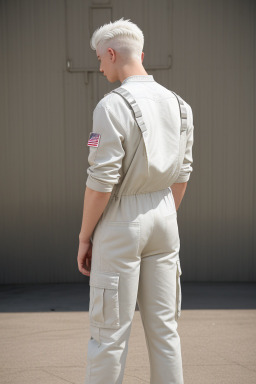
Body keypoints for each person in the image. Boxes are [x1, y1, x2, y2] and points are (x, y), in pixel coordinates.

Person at [77, 17, 194, 384]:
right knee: (165, 331)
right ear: (140, 53)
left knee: (109, 333)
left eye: (99, 58)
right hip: (164, 215)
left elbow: (101, 182)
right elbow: (183, 173)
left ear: (112, 54)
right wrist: (161, 215)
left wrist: (85, 236)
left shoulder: (110, 107)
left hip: (122, 220)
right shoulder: (180, 105)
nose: (99, 66)